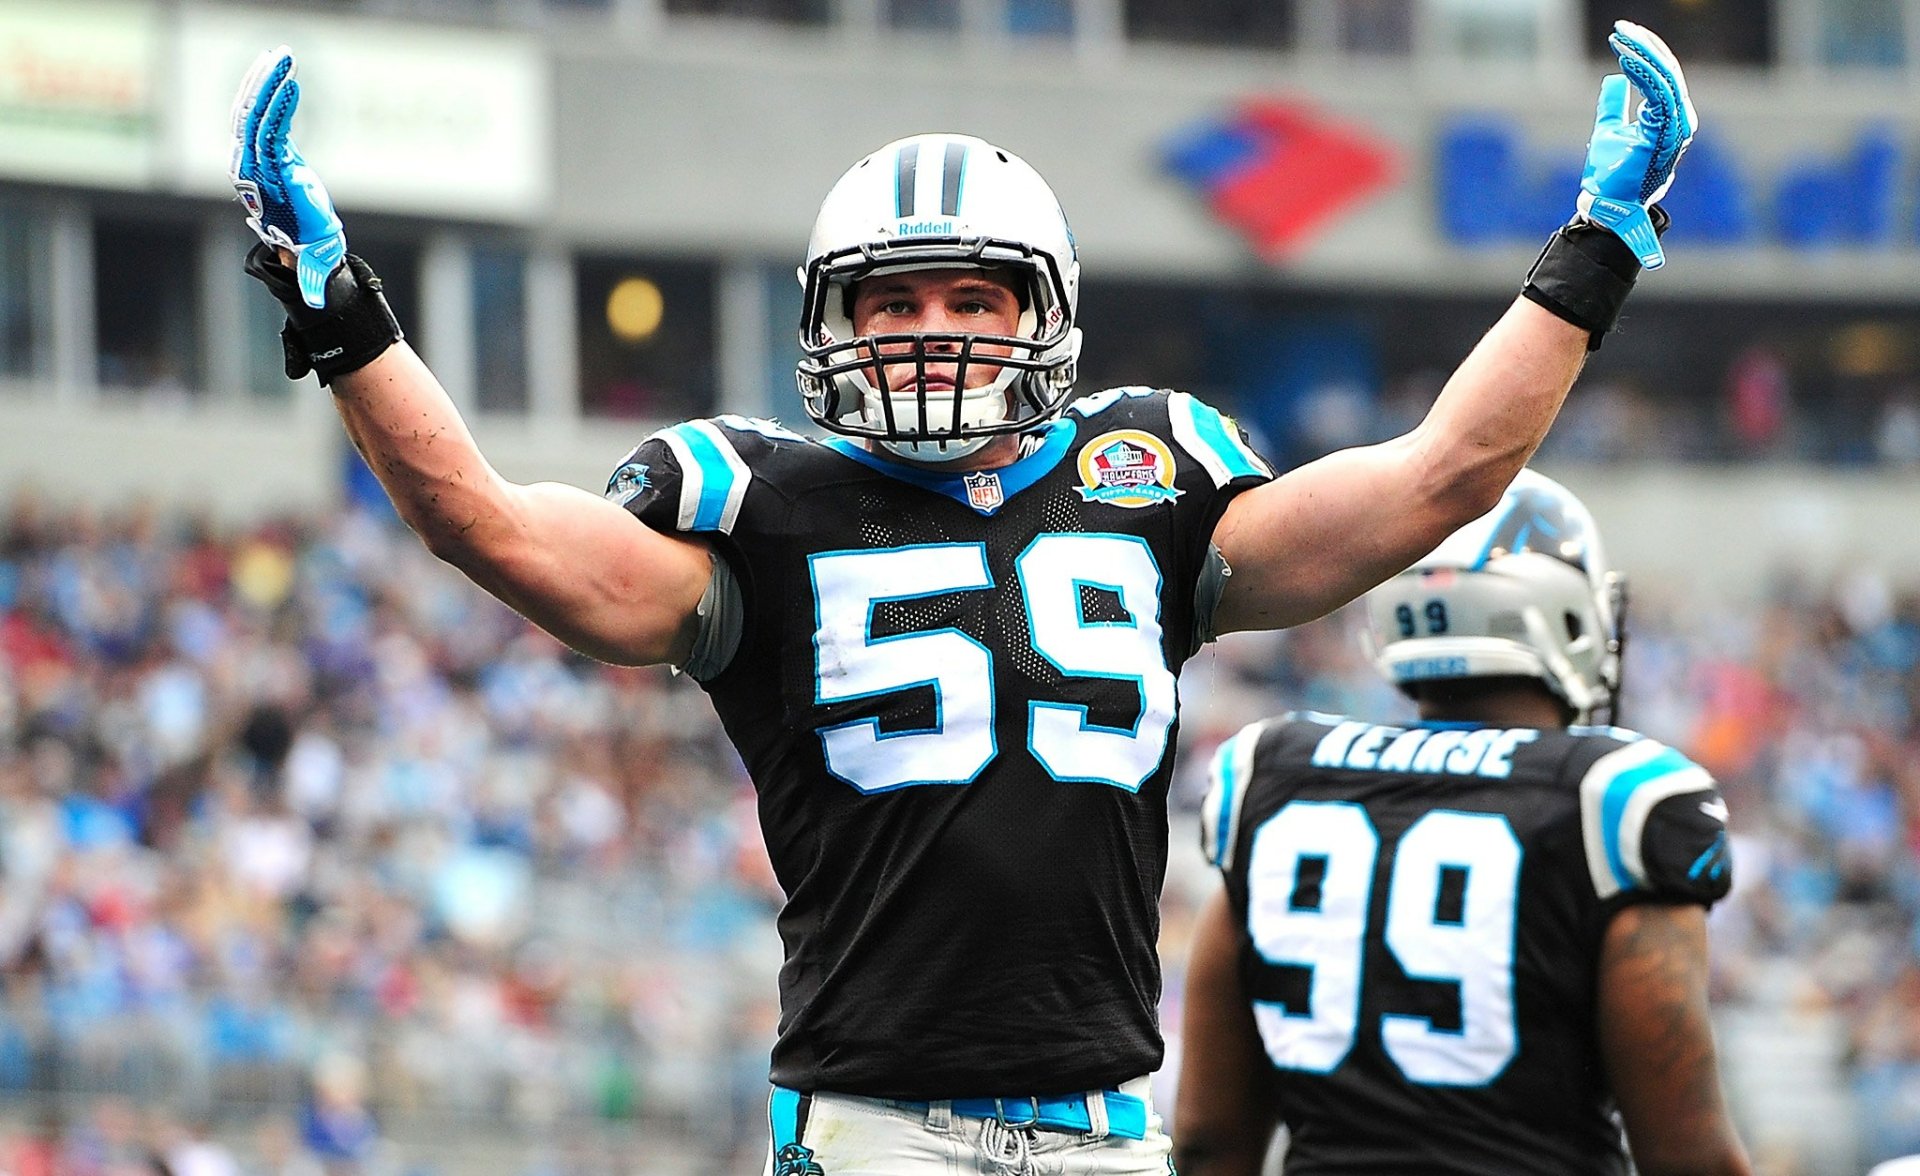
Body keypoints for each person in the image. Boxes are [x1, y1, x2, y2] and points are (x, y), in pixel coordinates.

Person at [228, 23, 1695, 1175]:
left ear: (1041, 311)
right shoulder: (763, 507)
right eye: (894, 300)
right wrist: (338, 308)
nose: (931, 332)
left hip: (1107, 1128)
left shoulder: (1151, 477)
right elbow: (483, 524)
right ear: (833, 320)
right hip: (875, 1132)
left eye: (971, 298)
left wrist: (1598, 244)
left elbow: (1441, 476)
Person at [1175, 469, 1753, 1176]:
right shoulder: (1611, 801)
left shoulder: (1272, 775)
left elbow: (1209, 1141)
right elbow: (1688, 1158)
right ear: (1566, 613)